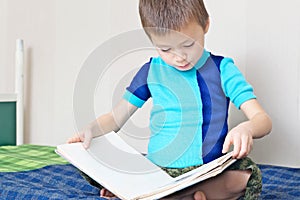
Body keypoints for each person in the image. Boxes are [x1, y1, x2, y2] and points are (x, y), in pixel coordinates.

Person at [68, 0, 272, 199]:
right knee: (94, 159)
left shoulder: (222, 69)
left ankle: (157, 195)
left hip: (207, 171)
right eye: (165, 49)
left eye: (188, 44)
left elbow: (262, 120)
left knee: (247, 175)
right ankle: (179, 194)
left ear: (206, 25)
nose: (179, 57)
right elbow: (115, 119)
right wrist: (91, 130)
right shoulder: (150, 71)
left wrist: (247, 128)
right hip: (160, 171)